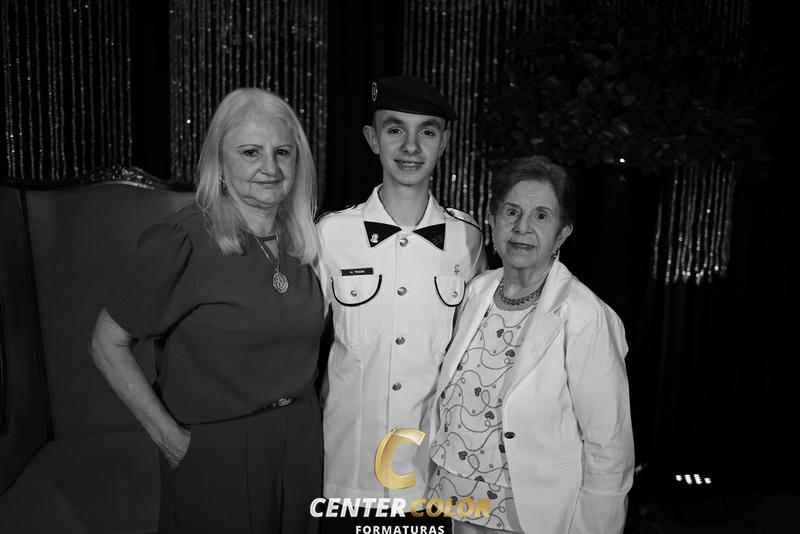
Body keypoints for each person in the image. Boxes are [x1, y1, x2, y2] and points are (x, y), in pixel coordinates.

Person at [89, 88, 323, 534]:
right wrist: (171, 441)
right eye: (250, 152)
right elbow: (106, 343)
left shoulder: (304, 242)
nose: (270, 168)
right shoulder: (186, 238)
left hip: (301, 444)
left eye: (282, 152)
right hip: (218, 453)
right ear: (219, 160)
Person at [426, 156, 634, 534]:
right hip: (455, 501)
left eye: (541, 216)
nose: (522, 227)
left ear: (562, 233)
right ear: (491, 221)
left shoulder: (585, 316)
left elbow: (609, 446)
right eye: (512, 212)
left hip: (527, 515)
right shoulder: (478, 291)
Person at [316, 75, 487, 508]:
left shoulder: (467, 240)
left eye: (426, 132)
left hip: (431, 477)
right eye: (395, 130)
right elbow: (295, 344)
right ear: (373, 139)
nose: (411, 147)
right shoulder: (331, 235)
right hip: (348, 474)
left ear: (444, 142)